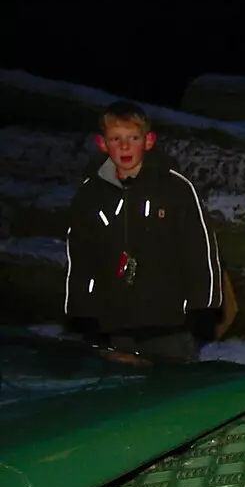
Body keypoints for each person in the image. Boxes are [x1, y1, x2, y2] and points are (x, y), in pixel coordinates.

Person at [63, 100, 221, 360]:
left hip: (169, 323)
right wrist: (81, 313)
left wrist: (203, 308)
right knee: (122, 394)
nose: (124, 146)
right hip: (114, 324)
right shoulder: (89, 195)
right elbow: (80, 257)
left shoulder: (175, 189)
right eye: (116, 139)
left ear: (148, 141)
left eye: (132, 138)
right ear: (102, 144)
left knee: (172, 393)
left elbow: (200, 249)